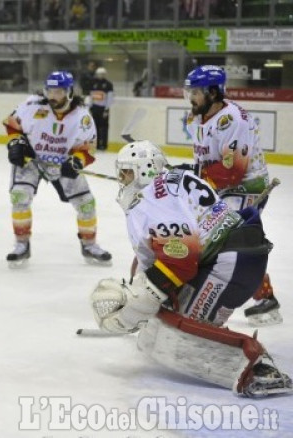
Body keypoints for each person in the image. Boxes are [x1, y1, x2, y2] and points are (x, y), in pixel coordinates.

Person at [91, 140, 291, 398]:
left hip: (230, 262)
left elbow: (182, 260)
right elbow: (162, 254)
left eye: (126, 171)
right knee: (167, 309)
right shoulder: (175, 178)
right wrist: (141, 286)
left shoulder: (150, 201)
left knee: (177, 331)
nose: (122, 179)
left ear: (144, 170)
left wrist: (141, 299)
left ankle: (259, 368)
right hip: (234, 255)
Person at [183, 65, 280, 326]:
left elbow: (233, 172)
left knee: (229, 245)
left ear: (213, 92)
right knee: (207, 238)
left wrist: (195, 180)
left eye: (195, 92)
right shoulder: (198, 117)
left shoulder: (233, 120)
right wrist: (190, 174)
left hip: (246, 189)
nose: (190, 97)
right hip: (222, 188)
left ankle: (262, 299)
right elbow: (205, 159)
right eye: (188, 91)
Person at [2, 70, 112, 268]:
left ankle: (89, 244)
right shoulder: (32, 105)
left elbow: (88, 147)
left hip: (63, 162)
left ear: (69, 92)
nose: (53, 96)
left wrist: (76, 162)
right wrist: (16, 144)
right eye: (50, 91)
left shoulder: (82, 116)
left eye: (59, 92)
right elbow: (12, 124)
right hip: (32, 160)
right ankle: (21, 245)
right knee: (19, 196)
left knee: (86, 203)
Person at [88, 67, 113, 150]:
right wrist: (90, 107)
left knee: (104, 127)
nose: (100, 76)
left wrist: (107, 109)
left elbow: (110, 98)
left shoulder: (108, 84)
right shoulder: (93, 83)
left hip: (103, 109)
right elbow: (91, 96)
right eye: (99, 74)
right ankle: (97, 144)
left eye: (102, 74)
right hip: (95, 108)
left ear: (105, 75)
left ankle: (104, 145)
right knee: (95, 127)